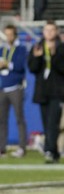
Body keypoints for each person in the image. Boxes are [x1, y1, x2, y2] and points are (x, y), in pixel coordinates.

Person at [27, 20, 64, 163]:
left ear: (56, 31)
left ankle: (49, 150)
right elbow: (33, 69)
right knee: (46, 123)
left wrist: (53, 54)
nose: (49, 33)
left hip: (57, 90)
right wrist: (37, 57)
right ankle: (54, 152)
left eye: (52, 30)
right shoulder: (38, 46)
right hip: (43, 91)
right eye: (47, 30)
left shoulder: (62, 47)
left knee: (53, 122)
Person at [0, 24, 28, 158]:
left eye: (11, 34)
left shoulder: (20, 49)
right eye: (7, 34)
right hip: (2, 88)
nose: (8, 37)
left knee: (19, 118)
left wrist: (7, 64)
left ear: (15, 35)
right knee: (1, 119)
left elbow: (20, 66)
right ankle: (1, 148)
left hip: (16, 88)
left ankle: (22, 147)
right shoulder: (2, 49)